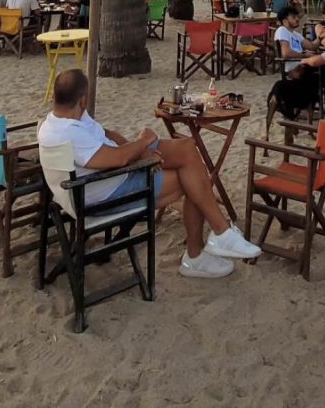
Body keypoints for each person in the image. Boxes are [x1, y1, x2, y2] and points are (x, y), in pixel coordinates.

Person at [38, 70, 262, 278]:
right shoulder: (68, 134)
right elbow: (118, 159)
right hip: (108, 193)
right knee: (192, 179)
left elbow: (106, 134)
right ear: (83, 100)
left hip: (112, 174)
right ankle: (200, 252)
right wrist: (142, 143)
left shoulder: (60, 120)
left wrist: (138, 151)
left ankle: (218, 235)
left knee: (186, 148)